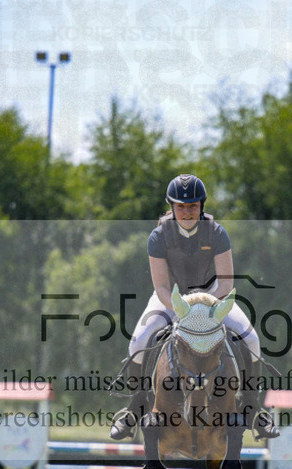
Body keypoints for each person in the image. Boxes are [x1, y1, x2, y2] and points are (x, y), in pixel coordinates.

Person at [109, 173, 279, 441]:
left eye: (192, 206)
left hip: (213, 297)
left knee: (252, 339)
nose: (187, 212)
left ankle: (253, 408)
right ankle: (135, 407)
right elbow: (162, 286)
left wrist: (205, 311)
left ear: (201, 205)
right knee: (138, 341)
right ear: (171, 207)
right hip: (172, 300)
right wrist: (183, 312)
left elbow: (226, 282)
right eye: (180, 206)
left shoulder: (218, 233)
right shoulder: (158, 236)